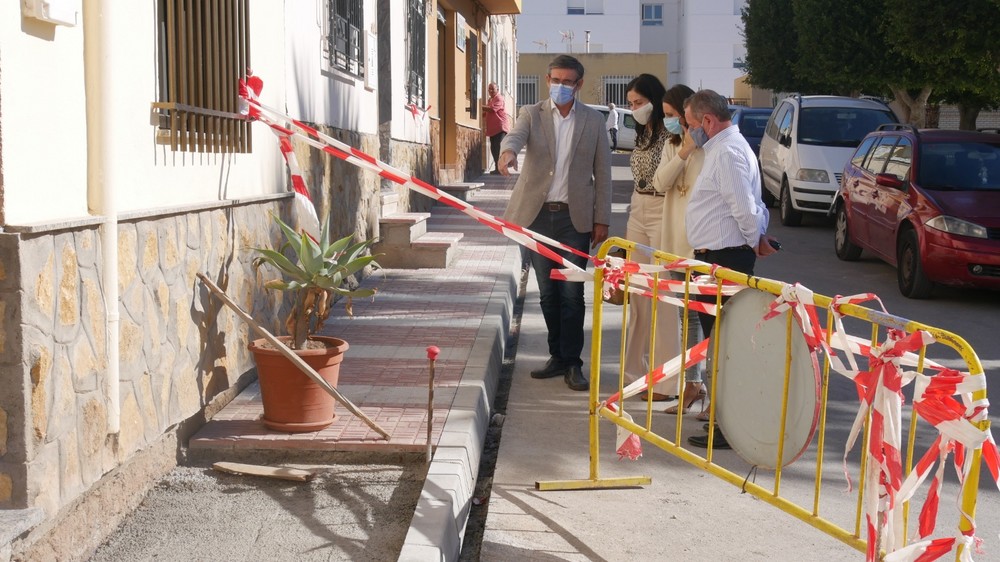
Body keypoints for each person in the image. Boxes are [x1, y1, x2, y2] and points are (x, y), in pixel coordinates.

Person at [497, 55, 612, 391]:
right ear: (547, 80)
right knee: (547, 292)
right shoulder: (532, 114)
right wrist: (507, 154)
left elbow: (603, 173)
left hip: (574, 220)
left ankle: (574, 363)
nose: (560, 86)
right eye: (555, 80)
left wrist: (601, 219)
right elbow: (514, 137)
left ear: (578, 84)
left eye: (567, 81)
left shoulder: (592, 121)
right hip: (537, 217)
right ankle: (557, 356)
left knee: (572, 293)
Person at [682, 89, 777, 449]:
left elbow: (746, 206)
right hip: (716, 256)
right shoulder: (723, 149)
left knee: (725, 346)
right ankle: (724, 420)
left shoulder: (727, 152)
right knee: (720, 343)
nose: (690, 132)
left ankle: (728, 425)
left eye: (691, 125)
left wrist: (755, 239)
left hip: (724, 259)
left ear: (707, 120)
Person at [619, 74, 678, 402]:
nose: (634, 109)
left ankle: (667, 382)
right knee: (638, 298)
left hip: (662, 209)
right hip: (638, 208)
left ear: (655, 101)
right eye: (630, 103)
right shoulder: (643, 134)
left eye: (639, 103)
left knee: (664, 300)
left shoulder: (671, 134)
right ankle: (634, 377)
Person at [651, 83, 707, 415]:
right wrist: (683, 151)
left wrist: (694, 148)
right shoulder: (674, 145)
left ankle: (701, 386)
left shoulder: (711, 145)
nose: (669, 121)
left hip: (701, 244)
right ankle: (693, 385)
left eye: (673, 116)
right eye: (667, 116)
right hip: (675, 239)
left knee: (705, 316)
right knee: (688, 318)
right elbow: (660, 183)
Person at [483, 82, 510, 174]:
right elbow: (487, 112)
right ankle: (497, 168)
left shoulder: (499, 98)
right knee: (494, 148)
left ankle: (501, 167)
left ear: (497, 90)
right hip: (493, 128)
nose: (490, 91)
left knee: (498, 148)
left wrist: (479, 106)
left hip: (500, 127)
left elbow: (492, 109)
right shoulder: (490, 99)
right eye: (489, 89)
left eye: (492, 89)